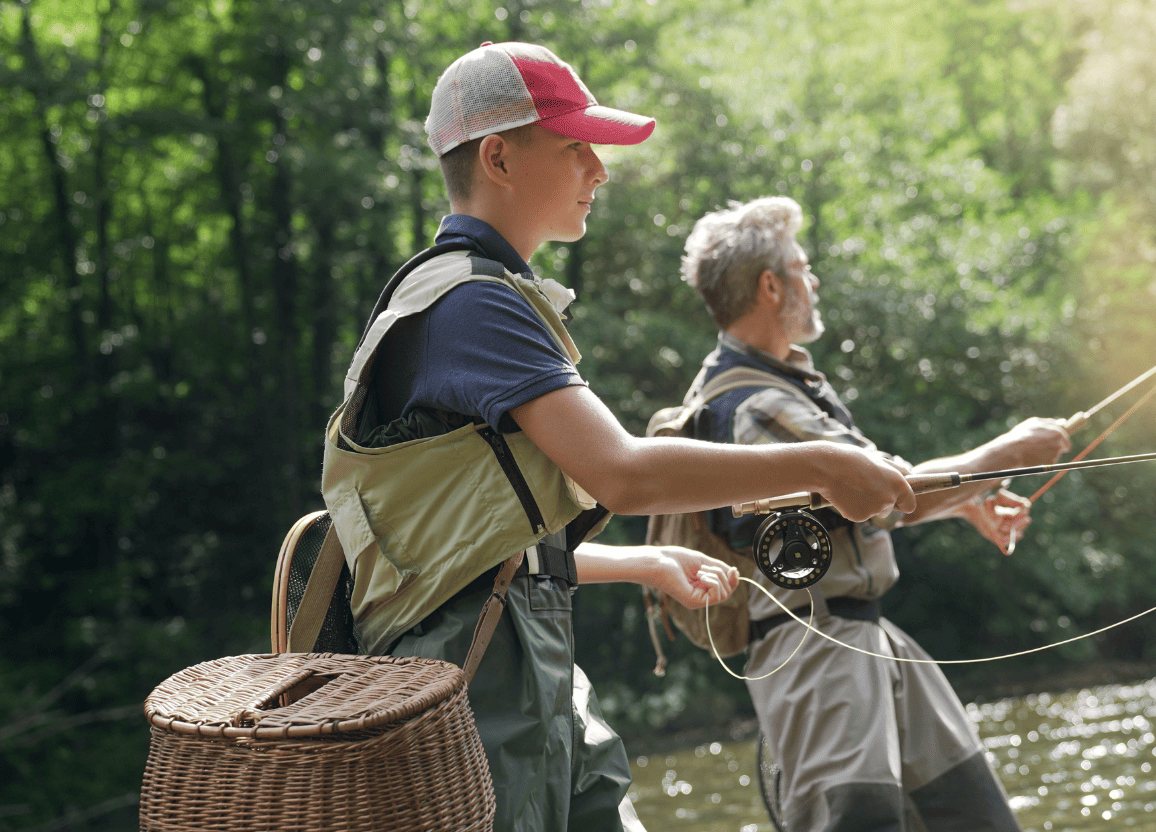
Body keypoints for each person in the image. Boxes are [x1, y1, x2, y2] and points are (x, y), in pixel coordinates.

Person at [319, 43, 915, 832]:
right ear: (497, 157)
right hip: (471, 681)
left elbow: (464, 547)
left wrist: (642, 560)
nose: (599, 170)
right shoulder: (471, 305)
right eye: (576, 147)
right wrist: (826, 464)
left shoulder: (482, 296)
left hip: (521, 661)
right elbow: (623, 475)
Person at [677, 196, 1071, 832]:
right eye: (804, 267)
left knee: (977, 819)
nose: (816, 280)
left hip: (870, 640)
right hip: (819, 653)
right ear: (771, 287)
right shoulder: (754, 407)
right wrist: (1007, 453)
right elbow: (887, 491)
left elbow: (872, 500)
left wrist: (966, 499)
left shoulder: (782, 390)